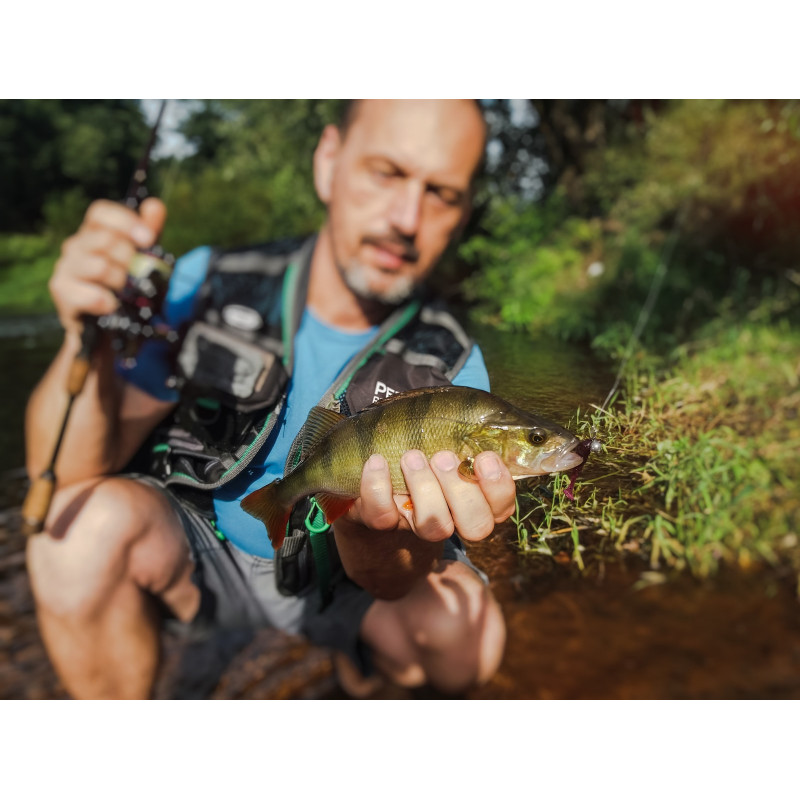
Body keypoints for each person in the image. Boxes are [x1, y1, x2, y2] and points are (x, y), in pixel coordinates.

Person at [25, 99, 515, 699]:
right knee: (74, 533)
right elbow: (67, 471)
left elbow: (390, 582)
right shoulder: (211, 284)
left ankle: (358, 667)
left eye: (441, 193)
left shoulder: (454, 363)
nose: (407, 218)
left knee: (466, 637)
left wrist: (368, 528)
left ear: (463, 211)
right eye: (386, 172)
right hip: (201, 556)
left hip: (344, 582)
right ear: (329, 161)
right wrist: (87, 339)